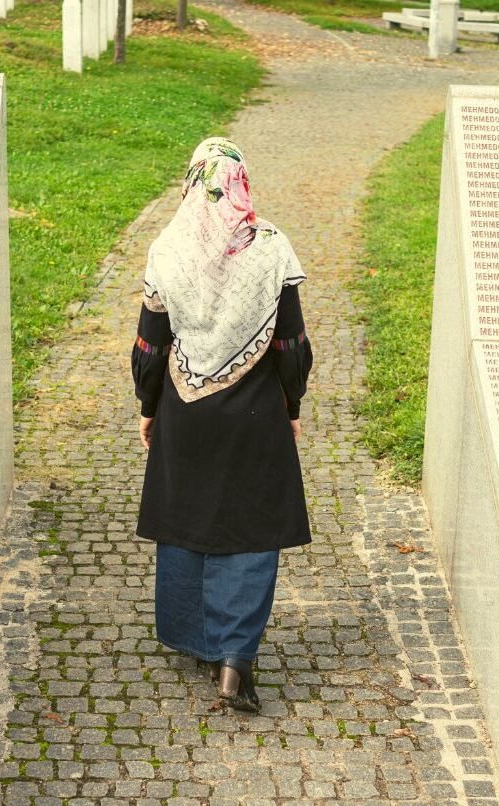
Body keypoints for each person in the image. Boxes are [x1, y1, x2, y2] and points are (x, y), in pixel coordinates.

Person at [130, 137, 313, 714]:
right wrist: (293, 406)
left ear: (192, 182)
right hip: (255, 413)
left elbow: (150, 344)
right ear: (241, 183)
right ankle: (236, 658)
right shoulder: (272, 246)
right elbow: (290, 344)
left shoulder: (168, 247)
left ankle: (195, 636)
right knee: (251, 528)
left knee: (187, 519)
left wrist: (148, 406)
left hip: (186, 411)